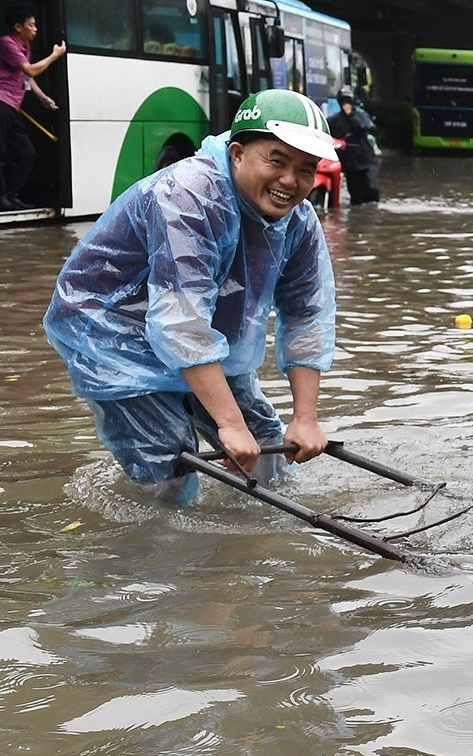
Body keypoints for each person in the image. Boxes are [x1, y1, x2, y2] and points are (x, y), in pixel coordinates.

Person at [42, 90, 341, 504]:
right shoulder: (188, 196)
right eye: (277, 160)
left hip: (202, 335)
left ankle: (264, 537)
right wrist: (229, 425)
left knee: (268, 441)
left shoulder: (299, 221)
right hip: (115, 336)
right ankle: (163, 554)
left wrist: (305, 420)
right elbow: (180, 322)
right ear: (237, 153)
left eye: (306, 169)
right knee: (170, 461)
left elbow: (308, 315)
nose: (290, 181)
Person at [1, 7, 67, 210]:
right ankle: (3, 197)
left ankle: (10, 194)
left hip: (13, 105)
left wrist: (41, 97)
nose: (35, 29)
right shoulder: (6, 43)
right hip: (2, 102)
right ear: (18, 27)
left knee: (26, 152)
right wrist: (54, 56)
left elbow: (26, 77)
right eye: (31, 25)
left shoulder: (25, 46)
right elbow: (30, 69)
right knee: (1, 153)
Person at [325, 85, 379, 204]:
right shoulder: (334, 120)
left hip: (366, 161)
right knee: (356, 197)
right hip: (350, 165)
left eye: (348, 101)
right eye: (344, 101)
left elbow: (364, 127)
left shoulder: (361, 115)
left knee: (372, 189)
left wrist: (351, 115)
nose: (346, 104)